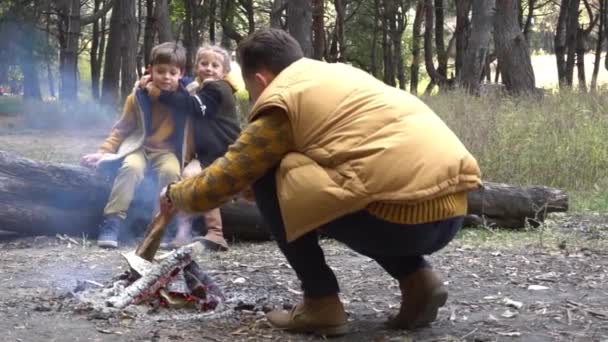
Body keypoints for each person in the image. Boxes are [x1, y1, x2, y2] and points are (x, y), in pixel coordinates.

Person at [158, 28, 482, 336]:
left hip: (398, 221)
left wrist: (175, 194)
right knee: (360, 186)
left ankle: (320, 302)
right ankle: (419, 280)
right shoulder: (338, 75)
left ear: (261, 78)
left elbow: (224, 180)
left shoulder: (281, 99)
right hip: (452, 210)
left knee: (269, 176)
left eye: (251, 91)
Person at [81, 42, 192, 249]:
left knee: (171, 172)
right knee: (130, 168)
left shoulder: (185, 99)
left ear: (181, 74)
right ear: (150, 70)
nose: (166, 77)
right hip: (138, 148)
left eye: (172, 72)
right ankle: (112, 222)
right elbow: (122, 129)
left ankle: (161, 225)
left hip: (166, 151)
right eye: (160, 71)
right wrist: (103, 152)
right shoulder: (137, 97)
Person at [143, 44, 241, 251]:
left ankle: (216, 233)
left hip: (226, 151)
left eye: (215, 65)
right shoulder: (198, 88)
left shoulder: (217, 88)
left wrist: (158, 94)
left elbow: (193, 106)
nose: (209, 68)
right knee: (187, 177)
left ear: (224, 72)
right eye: (204, 63)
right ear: (196, 67)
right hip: (207, 153)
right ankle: (183, 233)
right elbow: (179, 83)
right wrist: (149, 79)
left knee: (204, 179)